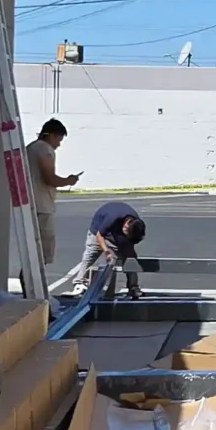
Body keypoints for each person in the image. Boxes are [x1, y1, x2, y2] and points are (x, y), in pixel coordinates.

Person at [26, 118, 80, 269]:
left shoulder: (31, 148)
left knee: (34, 248)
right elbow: (50, 178)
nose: (58, 144)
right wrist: (69, 180)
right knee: (43, 250)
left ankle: (32, 284)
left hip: (32, 203)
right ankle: (36, 287)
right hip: (41, 205)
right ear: (52, 135)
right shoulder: (45, 149)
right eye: (58, 139)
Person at [74, 198, 148, 300]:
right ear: (126, 227)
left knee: (130, 259)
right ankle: (79, 282)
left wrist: (129, 249)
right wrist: (106, 251)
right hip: (98, 231)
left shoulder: (136, 224)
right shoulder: (112, 218)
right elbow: (100, 235)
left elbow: (131, 242)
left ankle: (133, 287)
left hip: (118, 232)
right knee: (91, 254)